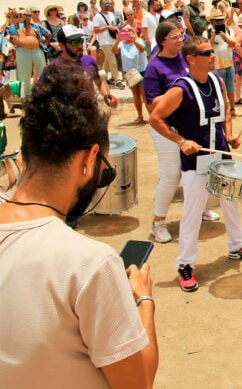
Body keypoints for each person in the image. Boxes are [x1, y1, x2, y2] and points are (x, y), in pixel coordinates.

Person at [0, 64, 158, 386]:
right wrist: (144, 300)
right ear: (89, 159)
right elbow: (137, 382)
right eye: (104, 168)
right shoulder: (90, 265)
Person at [149, 36, 242, 293]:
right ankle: (185, 264)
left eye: (212, 52)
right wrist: (180, 140)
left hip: (220, 154)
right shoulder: (180, 89)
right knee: (192, 211)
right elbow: (155, 118)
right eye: (207, 53)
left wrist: (230, 135)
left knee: (230, 202)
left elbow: (226, 114)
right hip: (195, 160)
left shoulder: (218, 80)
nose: (213, 56)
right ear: (191, 59)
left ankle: (238, 244)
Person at [143, 22, 219, 244]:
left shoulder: (186, 58)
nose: (180, 40)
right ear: (162, 41)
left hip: (189, 123)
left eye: (181, 35)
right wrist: (177, 93)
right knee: (172, 172)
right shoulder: (154, 67)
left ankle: (200, 209)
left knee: (200, 167)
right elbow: (151, 106)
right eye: (175, 37)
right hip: (166, 126)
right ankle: (158, 221)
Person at [112, 26, 148, 123]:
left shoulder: (139, 41)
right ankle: (140, 116)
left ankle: (152, 115)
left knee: (144, 95)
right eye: (125, 31)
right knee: (135, 95)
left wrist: (134, 40)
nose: (127, 33)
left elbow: (142, 49)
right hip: (129, 73)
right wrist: (117, 40)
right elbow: (114, 51)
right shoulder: (121, 44)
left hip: (141, 71)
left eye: (130, 31)